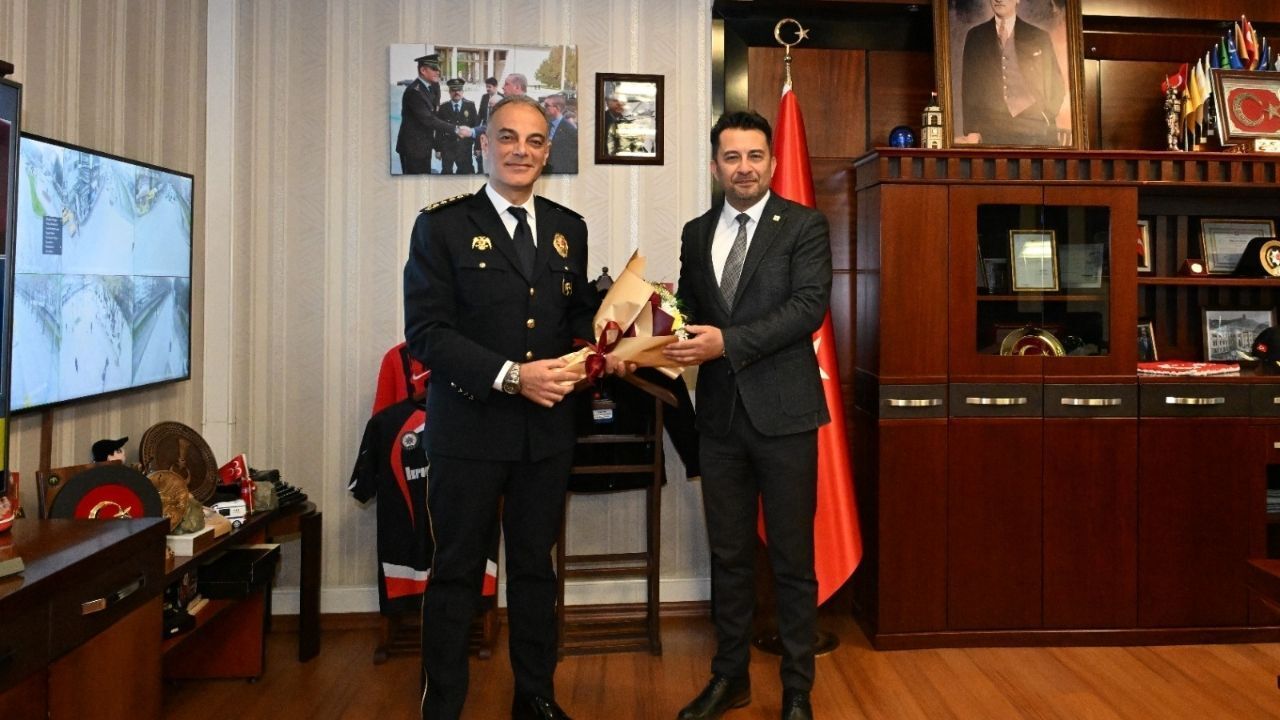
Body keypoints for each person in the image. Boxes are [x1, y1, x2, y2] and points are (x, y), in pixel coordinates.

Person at [403, 94, 594, 720]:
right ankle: (443, 707)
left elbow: (574, 319)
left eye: (534, 141)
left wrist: (611, 342)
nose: (520, 151)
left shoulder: (569, 228)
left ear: (548, 151)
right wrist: (511, 377)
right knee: (457, 572)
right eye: (507, 137)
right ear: (484, 145)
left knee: (536, 571)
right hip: (469, 430)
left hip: (546, 433)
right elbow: (427, 333)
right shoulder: (442, 226)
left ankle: (535, 697)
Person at [661, 111, 831, 720]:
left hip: (786, 416)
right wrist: (646, 327)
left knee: (791, 561)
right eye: (731, 157)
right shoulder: (695, 232)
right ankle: (729, 677)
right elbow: (686, 309)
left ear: (773, 162)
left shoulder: (804, 225)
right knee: (728, 557)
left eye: (755, 155)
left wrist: (726, 344)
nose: (744, 168)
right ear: (715, 167)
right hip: (720, 421)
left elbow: (808, 307)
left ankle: (797, 690)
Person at [959, 0, 1065, 146]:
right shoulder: (976, 36)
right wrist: (972, 130)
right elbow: (969, 89)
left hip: (1036, 131)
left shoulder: (1039, 36)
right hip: (992, 131)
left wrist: (1045, 116)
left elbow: (1056, 85)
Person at [396, 53, 463, 174]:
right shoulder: (414, 92)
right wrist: (455, 129)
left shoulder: (434, 85)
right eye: (434, 68)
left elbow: (435, 110)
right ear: (423, 70)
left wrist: (437, 145)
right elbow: (429, 119)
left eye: (438, 68)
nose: (438, 71)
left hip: (425, 145)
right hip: (412, 147)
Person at [437, 78, 478, 174]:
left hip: (465, 147)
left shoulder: (470, 106)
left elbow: (475, 127)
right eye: (453, 90)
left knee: (466, 173)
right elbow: (439, 130)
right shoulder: (443, 107)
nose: (456, 93)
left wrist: (477, 147)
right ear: (449, 92)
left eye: (459, 90)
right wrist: (438, 149)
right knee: (446, 174)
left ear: (463, 91)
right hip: (448, 148)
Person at [543, 94, 578, 174]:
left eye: (547, 105)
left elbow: (573, 157)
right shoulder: (545, 124)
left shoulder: (570, 130)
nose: (544, 108)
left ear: (557, 108)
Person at [476, 76, 499, 172]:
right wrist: (477, 128)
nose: (487, 89)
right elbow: (480, 114)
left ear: (495, 86)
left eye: (489, 87)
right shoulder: (484, 97)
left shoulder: (502, 97)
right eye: (486, 87)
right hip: (485, 129)